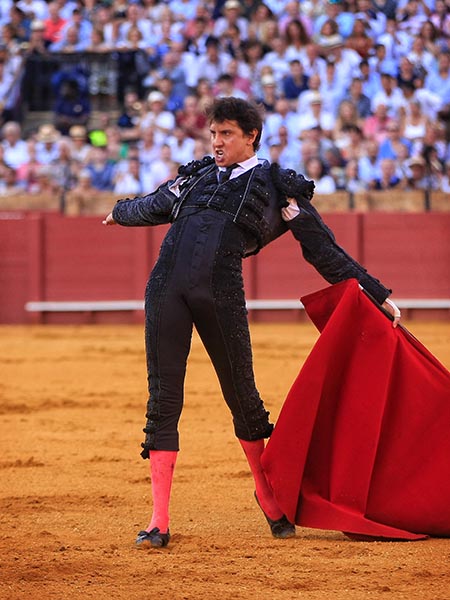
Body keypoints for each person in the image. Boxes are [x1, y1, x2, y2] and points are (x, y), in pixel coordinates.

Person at [103, 97, 401, 549]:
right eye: (213, 134)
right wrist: (119, 212)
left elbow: (323, 250)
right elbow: (152, 205)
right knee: (162, 399)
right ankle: (158, 519)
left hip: (221, 295)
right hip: (165, 290)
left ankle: (267, 494)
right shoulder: (195, 177)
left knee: (243, 397)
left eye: (226, 134)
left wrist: (375, 293)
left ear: (250, 136)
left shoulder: (279, 188)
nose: (216, 142)